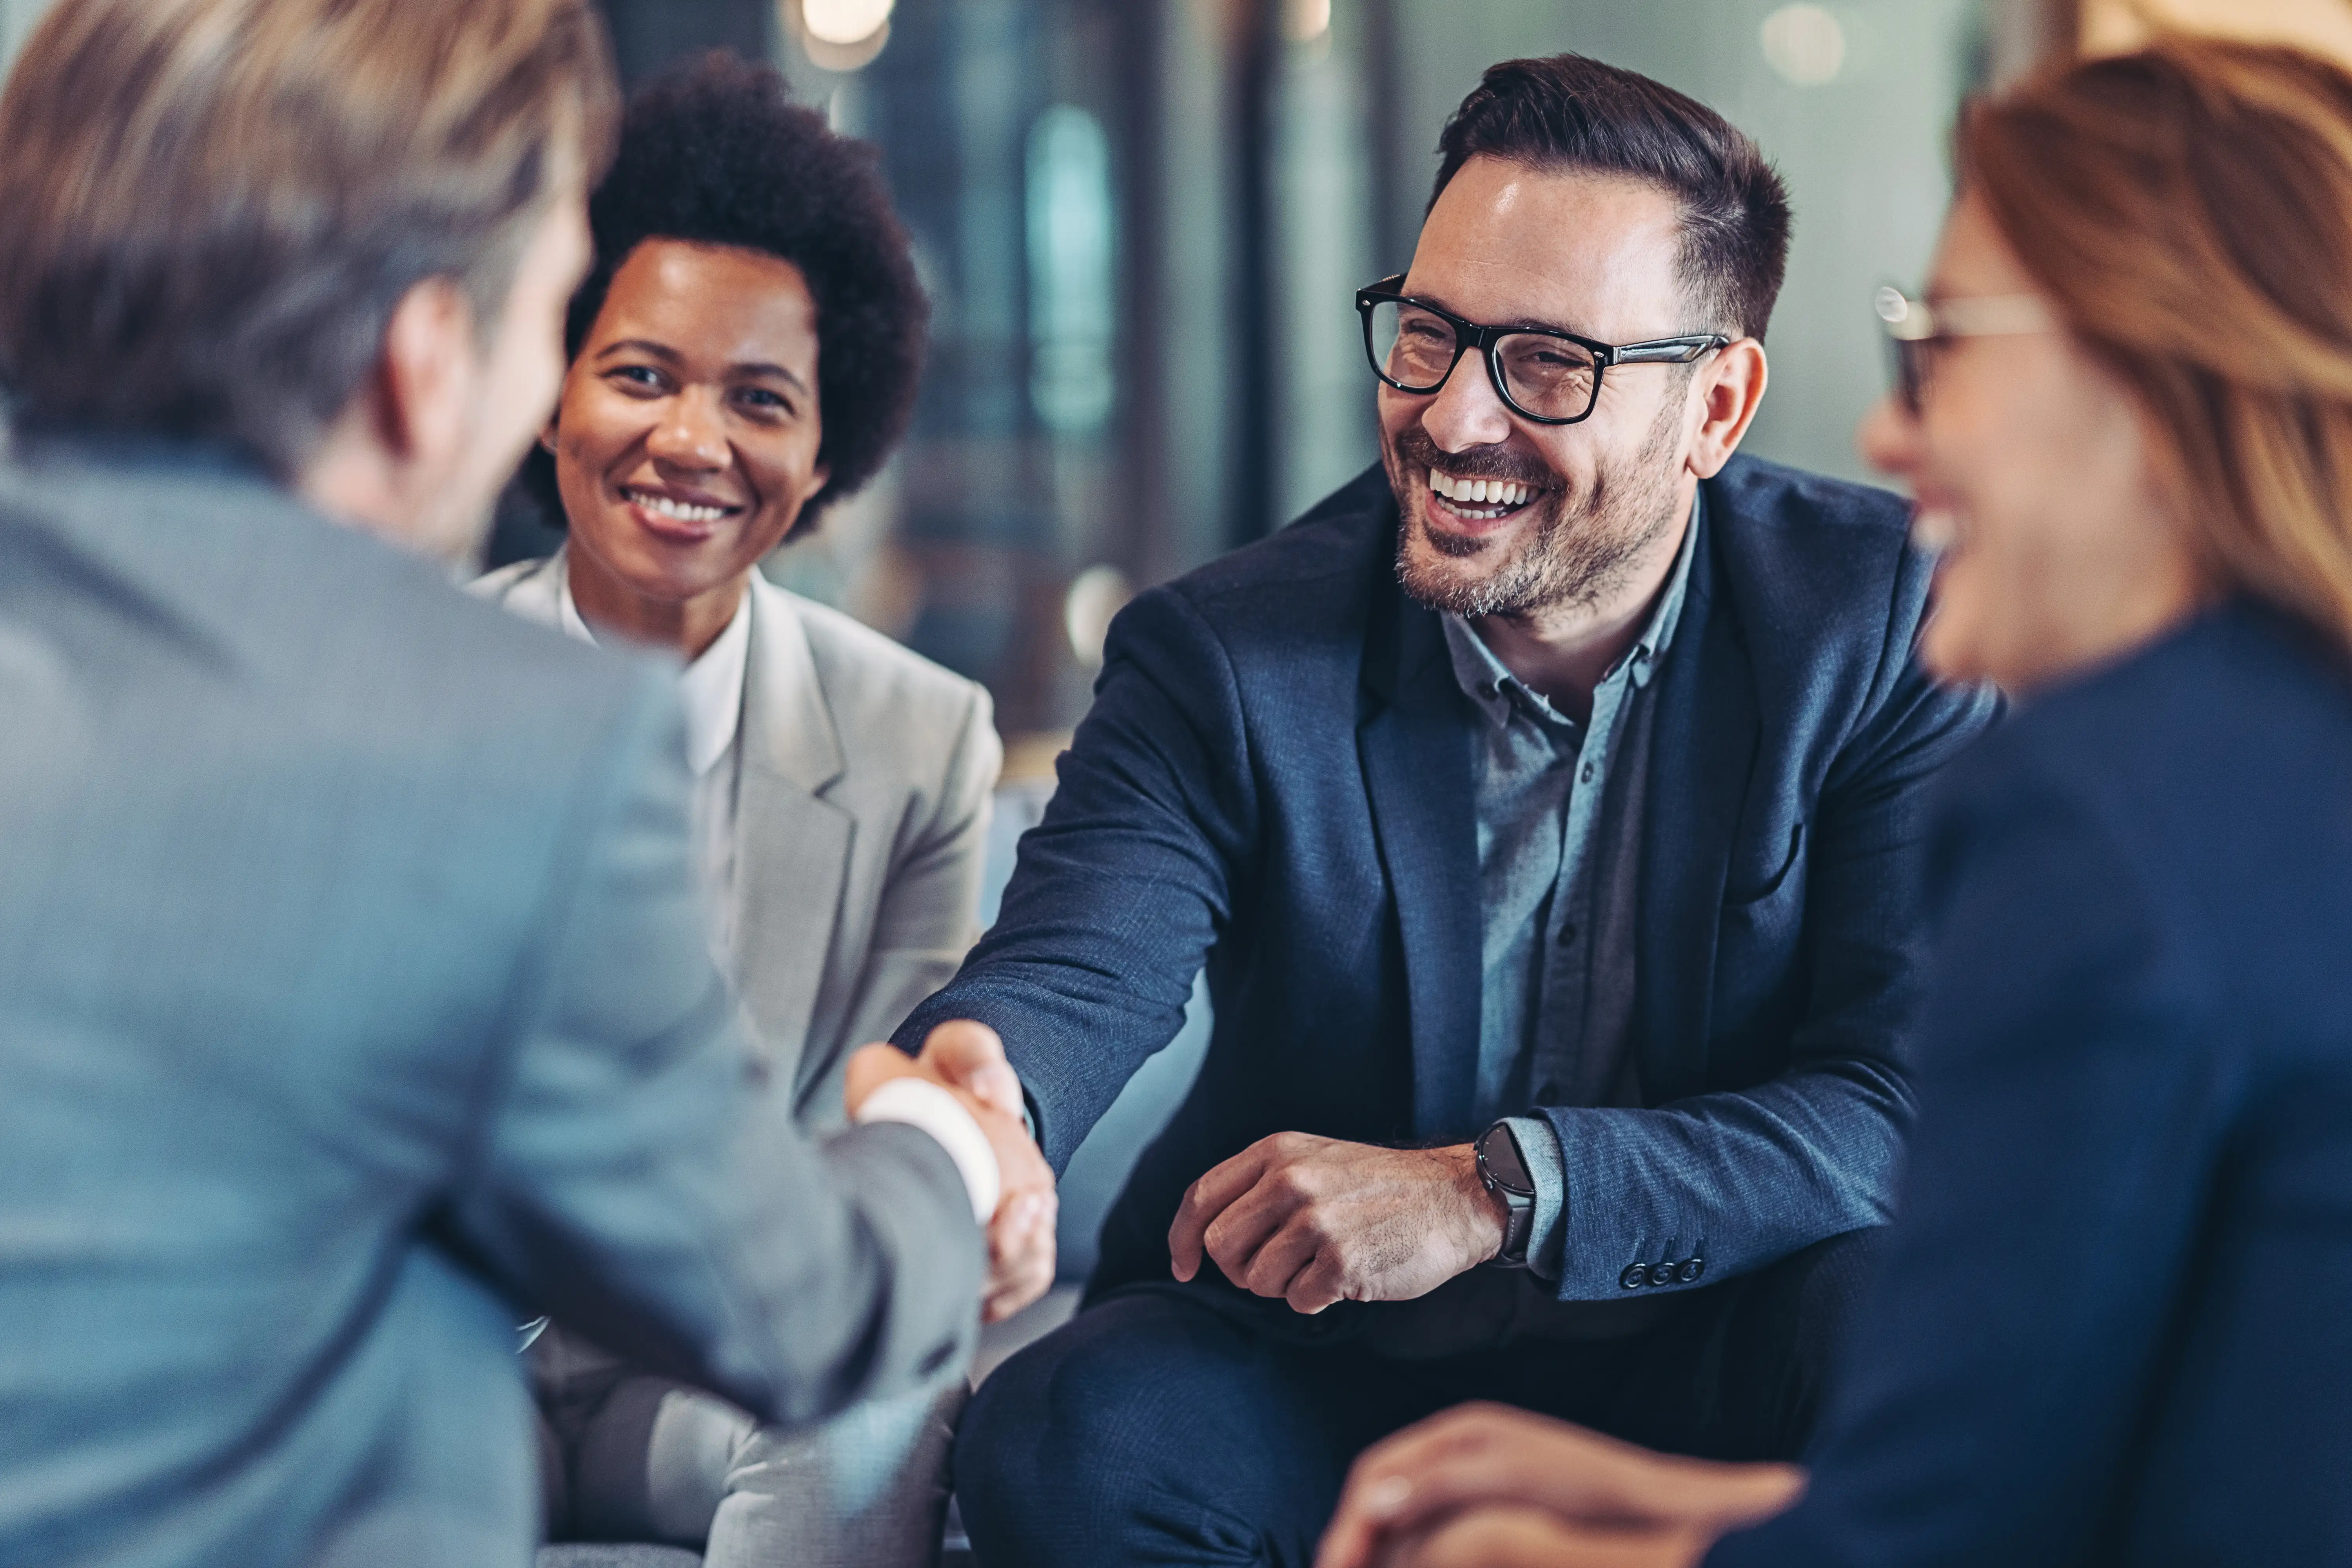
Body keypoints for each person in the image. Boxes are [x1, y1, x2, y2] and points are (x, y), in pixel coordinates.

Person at [0, 2, 1051, 1564]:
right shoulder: (494, 741)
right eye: (560, 315)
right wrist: (955, 1148)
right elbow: (797, 1298)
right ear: (432, 360)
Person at [912, 52, 1996, 1566]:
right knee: (1062, 1438)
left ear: (1717, 406)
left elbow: (1892, 1101)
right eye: (1428, 334)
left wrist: (1496, 1192)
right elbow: (1073, 969)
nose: (1453, 417)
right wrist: (981, 1097)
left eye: (1548, 364)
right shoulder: (1228, 654)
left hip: (1715, 1345)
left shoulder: (1879, 624)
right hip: (1330, 1373)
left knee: (1917, 1336)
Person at [1318, 38, 2352, 1568]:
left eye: (1944, 352)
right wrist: (1678, 1505)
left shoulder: (2097, 811)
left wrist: (1543, 1555)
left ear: (2139, 380)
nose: (1886, 433)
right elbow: (2109, 1472)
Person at [472, 55, 1034, 1564]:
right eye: (641, 375)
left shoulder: (923, 738)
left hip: (711, 1367)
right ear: (549, 390)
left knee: (883, 1394)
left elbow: (876, 1130)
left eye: (760, 400)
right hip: (450, 1364)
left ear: (826, 453)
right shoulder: (405, 689)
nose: (692, 442)